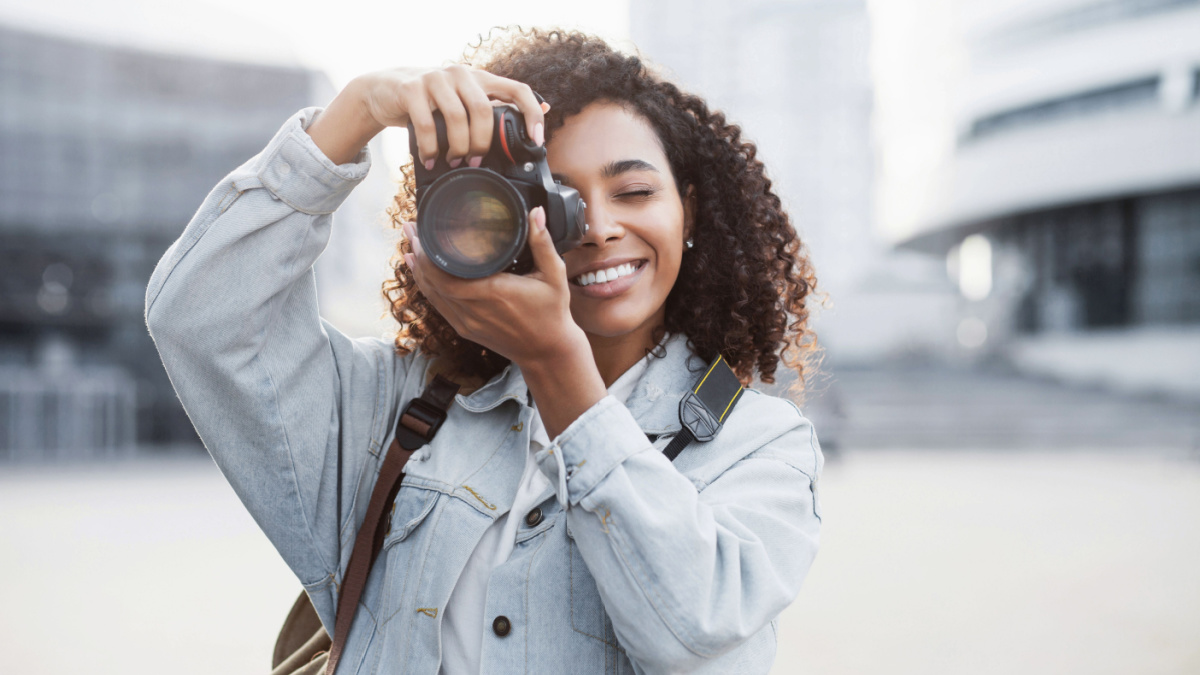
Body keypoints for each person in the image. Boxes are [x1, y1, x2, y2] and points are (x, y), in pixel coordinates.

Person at [146, 27, 824, 675]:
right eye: (554, 198)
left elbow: (691, 630)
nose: (597, 226)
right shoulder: (401, 409)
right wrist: (353, 115)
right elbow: (201, 317)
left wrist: (559, 365)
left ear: (692, 210)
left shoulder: (758, 446)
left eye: (635, 190)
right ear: (484, 216)